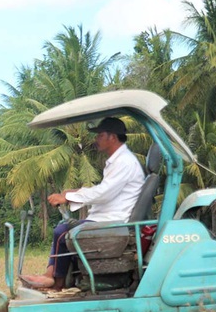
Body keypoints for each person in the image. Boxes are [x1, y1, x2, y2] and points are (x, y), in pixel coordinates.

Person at [19, 117, 145, 291]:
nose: (96, 139)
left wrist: (68, 198)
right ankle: (53, 277)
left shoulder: (125, 162)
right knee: (63, 227)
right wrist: (73, 193)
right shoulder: (118, 161)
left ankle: (55, 282)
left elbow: (104, 193)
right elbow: (105, 190)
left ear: (112, 137)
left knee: (62, 232)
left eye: (100, 135)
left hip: (113, 221)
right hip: (107, 218)